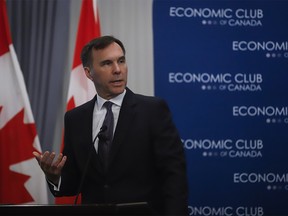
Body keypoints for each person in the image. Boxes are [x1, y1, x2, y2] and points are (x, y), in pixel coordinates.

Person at [33, 35, 188, 215]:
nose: (117, 70)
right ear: (88, 73)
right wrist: (55, 177)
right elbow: (75, 183)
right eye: (107, 63)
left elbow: (174, 176)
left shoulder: (152, 111)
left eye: (121, 61)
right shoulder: (75, 118)